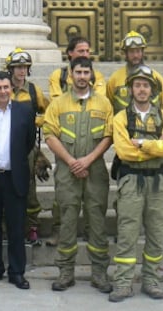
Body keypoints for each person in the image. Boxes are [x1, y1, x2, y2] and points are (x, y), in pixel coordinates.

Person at [43, 56, 113, 293]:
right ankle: (65, 273)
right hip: (67, 172)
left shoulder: (104, 104)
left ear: (91, 75)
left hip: (95, 172)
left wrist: (87, 160)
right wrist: (72, 161)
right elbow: (50, 135)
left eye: (86, 72)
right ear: (70, 74)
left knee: (97, 223)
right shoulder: (58, 104)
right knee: (67, 223)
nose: (82, 77)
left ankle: (99, 273)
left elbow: (108, 135)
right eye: (78, 72)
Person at [109, 65, 163, 302]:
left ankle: (151, 280)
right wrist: (155, 149)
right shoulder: (121, 117)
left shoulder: (160, 115)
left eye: (146, 85)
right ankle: (122, 283)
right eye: (137, 85)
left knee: (157, 233)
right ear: (130, 89)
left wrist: (142, 144)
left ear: (152, 90)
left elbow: (138, 148)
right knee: (127, 232)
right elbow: (123, 151)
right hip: (131, 180)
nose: (142, 89)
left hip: (158, 182)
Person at [46, 36, 106, 246]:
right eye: (80, 51)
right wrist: (73, 162)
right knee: (63, 198)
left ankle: (92, 232)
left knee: (95, 202)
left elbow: (101, 100)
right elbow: (54, 105)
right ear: (70, 53)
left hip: (92, 152)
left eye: (87, 51)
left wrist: (86, 161)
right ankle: (58, 230)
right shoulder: (58, 75)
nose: (84, 55)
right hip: (67, 142)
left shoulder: (98, 84)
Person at [0, 71, 35, 289]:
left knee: (16, 227)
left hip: (15, 177)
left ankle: (17, 271)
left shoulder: (25, 111)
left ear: (11, 88)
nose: (3, 91)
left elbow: (29, 141)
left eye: (6, 87)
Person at [4, 48, 50, 245]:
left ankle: (32, 227)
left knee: (30, 190)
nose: (21, 71)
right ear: (10, 69)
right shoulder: (3, 89)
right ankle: (7, 229)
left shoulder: (33, 91)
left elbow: (50, 111)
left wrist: (42, 119)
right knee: (7, 190)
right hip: (6, 148)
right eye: (18, 67)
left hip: (28, 148)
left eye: (25, 67)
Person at [107, 30, 163, 114]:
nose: (135, 55)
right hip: (122, 126)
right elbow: (108, 106)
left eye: (138, 51)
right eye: (131, 52)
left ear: (143, 52)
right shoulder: (115, 79)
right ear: (125, 54)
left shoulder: (156, 78)